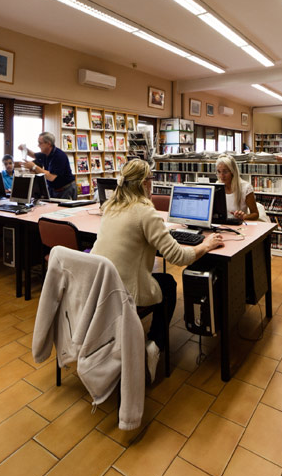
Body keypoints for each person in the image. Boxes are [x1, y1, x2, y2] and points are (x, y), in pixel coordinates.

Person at [91, 159, 224, 379]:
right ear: (145, 183)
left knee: (159, 279)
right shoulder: (145, 212)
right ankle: (154, 345)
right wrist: (206, 245)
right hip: (126, 292)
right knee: (169, 284)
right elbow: (178, 257)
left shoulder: (110, 207)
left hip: (100, 288)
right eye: (151, 179)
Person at [18, 132, 77, 200]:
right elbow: (33, 155)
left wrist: (34, 167)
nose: (38, 145)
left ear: (48, 144)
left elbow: (51, 177)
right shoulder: (45, 153)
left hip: (66, 189)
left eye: (40, 143)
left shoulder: (59, 156)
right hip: (53, 189)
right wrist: (25, 149)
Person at [215, 155, 259, 221]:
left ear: (233, 172)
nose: (221, 176)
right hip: (221, 224)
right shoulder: (217, 186)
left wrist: (244, 217)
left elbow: (255, 214)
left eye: (225, 172)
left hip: (238, 224)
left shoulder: (245, 188)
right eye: (219, 172)